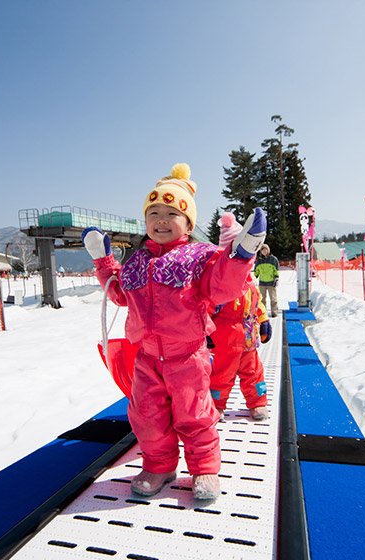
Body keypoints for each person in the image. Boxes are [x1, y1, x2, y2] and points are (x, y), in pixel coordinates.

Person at [82, 163, 266, 501]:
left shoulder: (200, 256)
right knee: (146, 416)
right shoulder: (138, 261)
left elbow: (222, 287)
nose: (161, 219)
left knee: (194, 413)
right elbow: (120, 293)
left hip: (188, 356)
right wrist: (104, 262)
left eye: (171, 212)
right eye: (153, 212)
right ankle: (158, 464)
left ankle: (205, 469)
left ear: (188, 222)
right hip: (147, 358)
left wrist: (240, 256)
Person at [208, 213, 272, 422]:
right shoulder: (219, 284)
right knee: (220, 376)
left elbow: (257, 303)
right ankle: (216, 405)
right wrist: (205, 330)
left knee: (253, 373)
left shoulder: (251, 282)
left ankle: (258, 403)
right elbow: (206, 306)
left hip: (248, 340)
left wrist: (263, 319)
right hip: (224, 340)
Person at [254, 243, 280, 317]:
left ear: (268, 250)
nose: (264, 252)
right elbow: (256, 271)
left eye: (266, 250)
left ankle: (274, 312)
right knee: (262, 300)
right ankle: (263, 313)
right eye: (263, 250)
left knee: (273, 299)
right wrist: (254, 278)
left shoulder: (273, 259)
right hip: (262, 283)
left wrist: (277, 278)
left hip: (271, 283)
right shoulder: (259, 260)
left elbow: (276, 270)